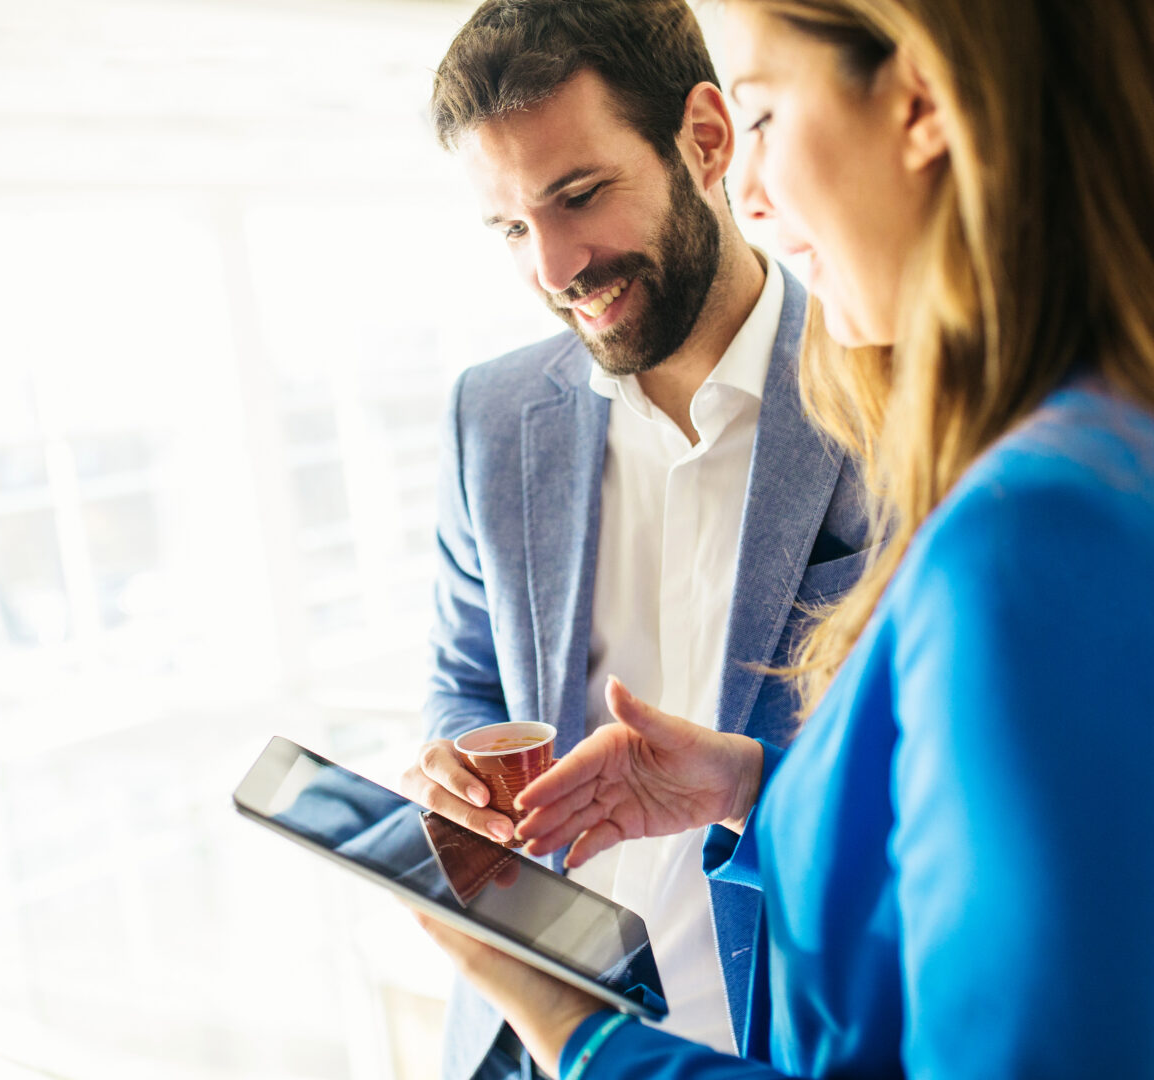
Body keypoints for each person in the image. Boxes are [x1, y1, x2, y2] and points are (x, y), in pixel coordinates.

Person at [413, 0, 1154, 1076]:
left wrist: (571, 1030)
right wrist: (753, 790)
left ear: (921, 104)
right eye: (513, 226)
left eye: (759, 117)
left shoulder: (1040, 538)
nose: (750, 193)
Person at [399, 2, 872, 1078]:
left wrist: (754, 782)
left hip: (784, 1041)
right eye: (513, 228)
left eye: (578, 196)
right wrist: (459, 769)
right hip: (537, 1044)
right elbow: (463, 685)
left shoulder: (892, 401)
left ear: (707, 140)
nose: (556, 266)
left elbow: (929, 770)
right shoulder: (490, 419)